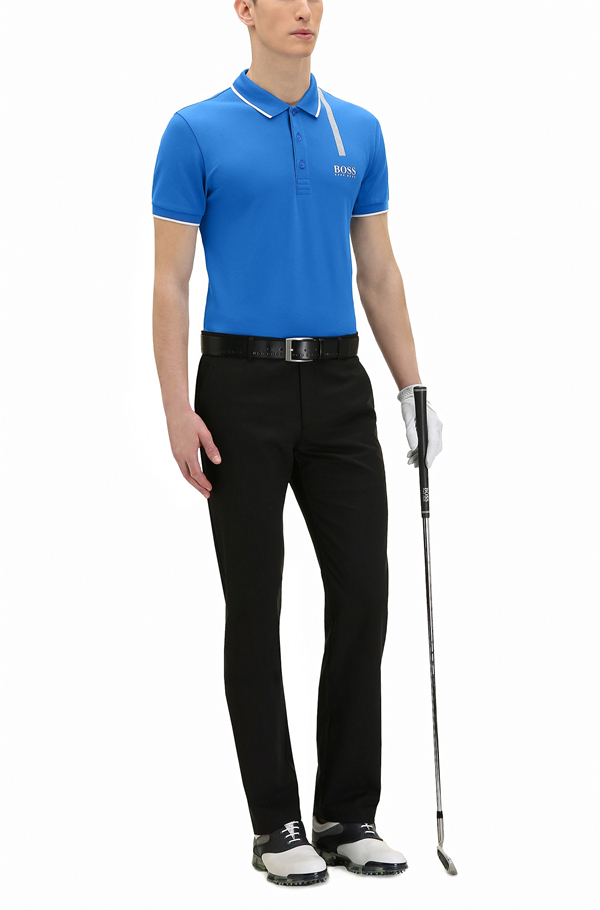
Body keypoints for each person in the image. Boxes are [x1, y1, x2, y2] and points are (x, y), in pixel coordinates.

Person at [151, 0, 443, 888]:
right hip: (238, 390)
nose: (304, 9)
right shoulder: (194, 131)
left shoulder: (359, 130)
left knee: (364, 594)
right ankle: (275, 821)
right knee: (256, 603)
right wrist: (175, 408)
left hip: (341, 386)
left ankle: (347, 812)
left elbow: (377, 270)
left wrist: (412, 388)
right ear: (244, 8)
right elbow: (171, 281)